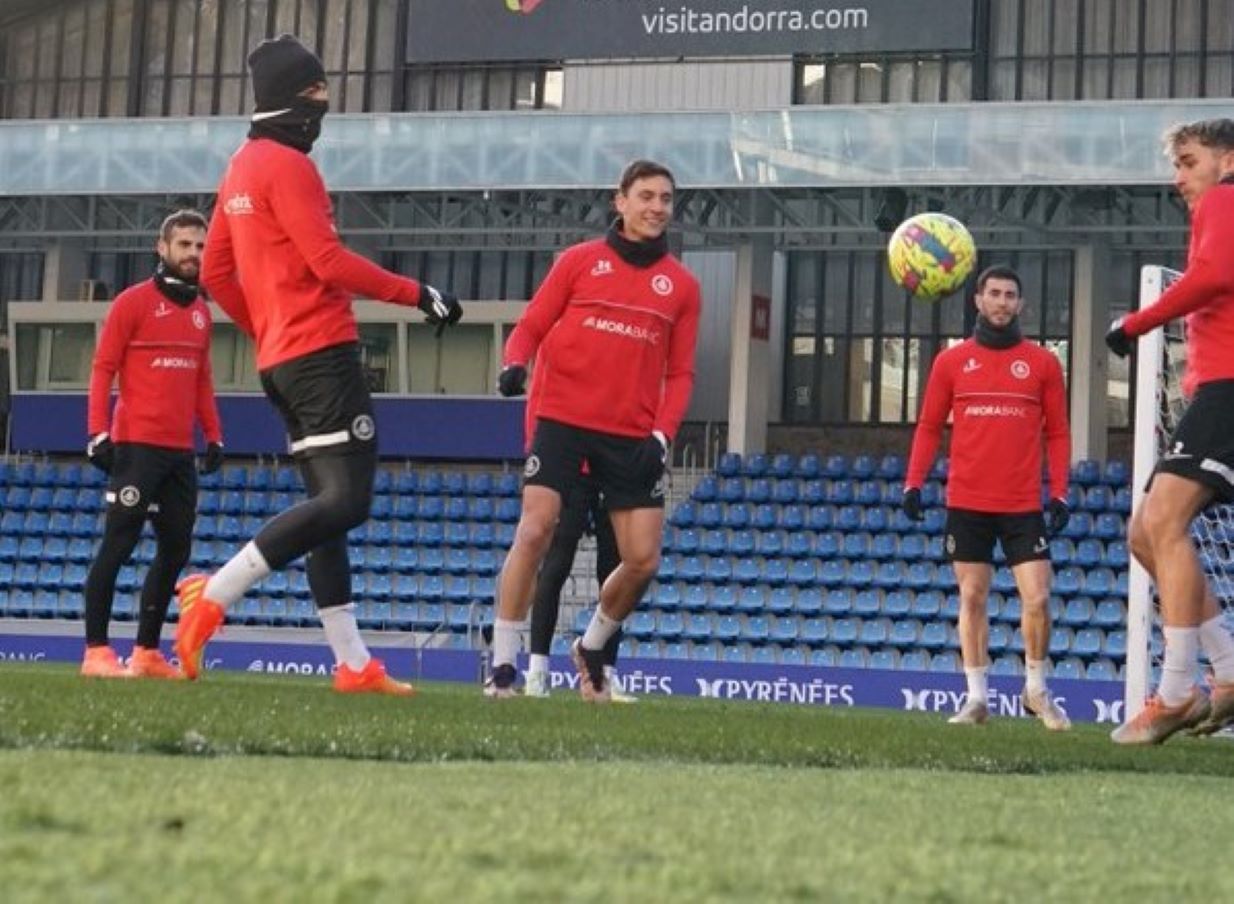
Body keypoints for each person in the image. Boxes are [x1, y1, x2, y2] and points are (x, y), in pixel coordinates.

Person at [186, 34, 463, 694]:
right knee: (347, 501)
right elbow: (328, 263)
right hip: (321, 353)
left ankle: (352, 663)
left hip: (280, 360)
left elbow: (218, 271)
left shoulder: (240, 166)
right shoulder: (288, 165)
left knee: (326, 511)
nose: (325, 104)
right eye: (317, 91)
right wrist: (420, 294)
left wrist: (266, 326)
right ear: (295, 97)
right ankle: (214, 594)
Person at [488, 158, 700, 702]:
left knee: (643, 559)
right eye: (647, 196)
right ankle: (504, 668)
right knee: (535, 530)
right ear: (620, 201)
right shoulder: (579, 262)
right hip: (562, 420)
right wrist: (515, 361)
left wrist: (662, 434)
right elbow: (533, 324)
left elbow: (679, 373)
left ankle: (593, 646)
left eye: (666, 199)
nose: (657, 207)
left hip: (631, 436)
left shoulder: (682, 286)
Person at [1104, 117, 1234, 744]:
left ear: (1226, 159)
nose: (1178, 176)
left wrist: (1134, 323)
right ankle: (1229, 670)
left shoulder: (1227, 199)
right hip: (1216, 390)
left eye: (1188, 161)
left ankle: (1178, 690)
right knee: (1143, 531)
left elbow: (1212, 278)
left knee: (1164, 524)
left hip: (1231, 389)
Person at [903, 265, 1072, 731]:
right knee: (973, 595)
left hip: (1022, 505)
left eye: (1010, 295)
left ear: (1021, 304)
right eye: (993, 293)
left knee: (1037, 597)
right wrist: (913, 482)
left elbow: (1057, 433)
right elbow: (929, 426)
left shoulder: (1042, 363)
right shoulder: (950, 362)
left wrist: (1059, 492)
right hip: (968, 501)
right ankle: (977, 699)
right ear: (977, 300)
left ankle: (1035, 689)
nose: (1001, 302)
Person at [81, 209, 224, 679]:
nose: (193, 255)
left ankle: (146, 653)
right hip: (135, 447)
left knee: (176, 549)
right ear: (162, 249)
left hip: (178, 453)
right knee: (117, 546)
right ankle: (96, 653)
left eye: (200, 247)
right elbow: (103, 368)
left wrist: (214, 434)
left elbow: (202, 379)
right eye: (184, 245)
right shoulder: (132, 302)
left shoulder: (202, 312)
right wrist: (97, 432)